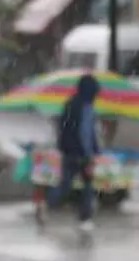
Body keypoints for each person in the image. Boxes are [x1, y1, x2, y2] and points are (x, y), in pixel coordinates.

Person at [37, 74, 101, 233]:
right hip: (81, 154)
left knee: (63, 185)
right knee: (87, 186)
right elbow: (85, 133)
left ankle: (45, 204)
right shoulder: (86, 107)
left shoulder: (69, 104)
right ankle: (85, 219)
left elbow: (63, 128)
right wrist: (91, 153)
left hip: (67, 151)